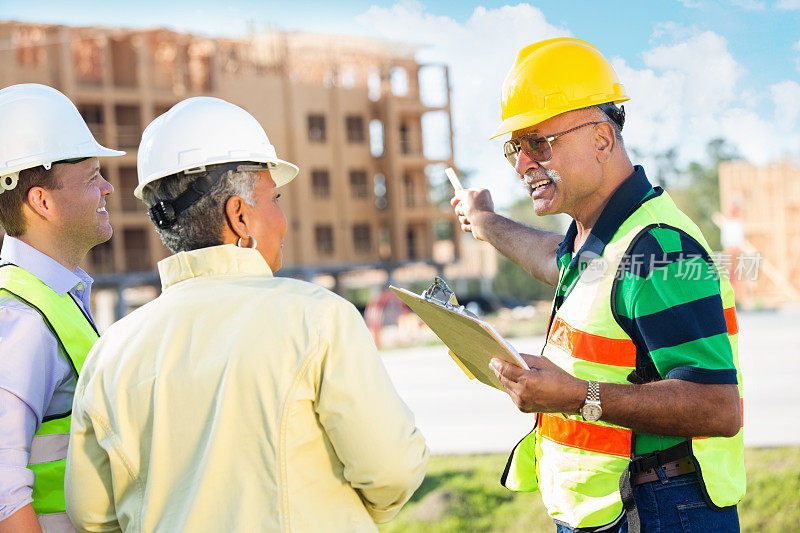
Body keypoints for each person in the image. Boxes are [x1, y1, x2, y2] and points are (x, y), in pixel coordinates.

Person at [65, 96, 429, 532]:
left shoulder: (110, 353)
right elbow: (392, 471)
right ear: (238, 216)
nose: (282, 219)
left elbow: (91, 516)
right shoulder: (317, 319)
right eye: (274, 198)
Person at [451, 38, 744, 532]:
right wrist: (487, 222)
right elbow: (555, 260)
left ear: (602, 139)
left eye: (540, 143)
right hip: (624, 507)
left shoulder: (658, 249)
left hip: (661, 508)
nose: (524, 164)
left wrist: (574, 395)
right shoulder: (604, 236)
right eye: (515, 148)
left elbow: (718, 407)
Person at [0, 84, 124, 532]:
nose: (108, 187)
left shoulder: (54, 301)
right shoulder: (19, 318)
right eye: (92, 177)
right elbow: (2, 488)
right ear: (42, 201)